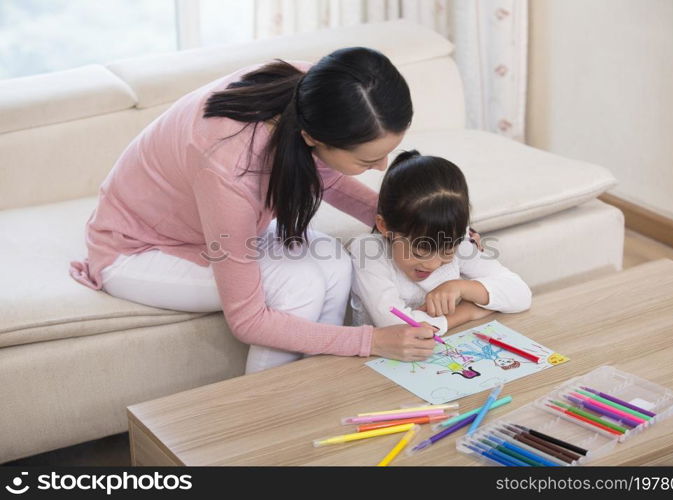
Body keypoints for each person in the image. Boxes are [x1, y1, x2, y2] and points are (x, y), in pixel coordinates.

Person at [69, 47, 436, 373]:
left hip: (212, 226)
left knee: (337, 265)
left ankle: (314, 390)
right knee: (299, 285)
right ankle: (266, 414)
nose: (383, 166)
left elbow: (328, 175)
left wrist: (414, 225)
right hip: (138, 250)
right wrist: (371, 341)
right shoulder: (227, 162)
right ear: (313, 137)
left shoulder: (318, 92)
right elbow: (247, 320)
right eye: (368, 159)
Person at [348, 150, 532, 338]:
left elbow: (521, 294)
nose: (433, 265)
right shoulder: (369, 250)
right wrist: (468, 312)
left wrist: (461, 287)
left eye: (447, 252)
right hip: (374, 361)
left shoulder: (456, 240)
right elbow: (397, 326)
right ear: (384, 226)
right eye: (420, 252)